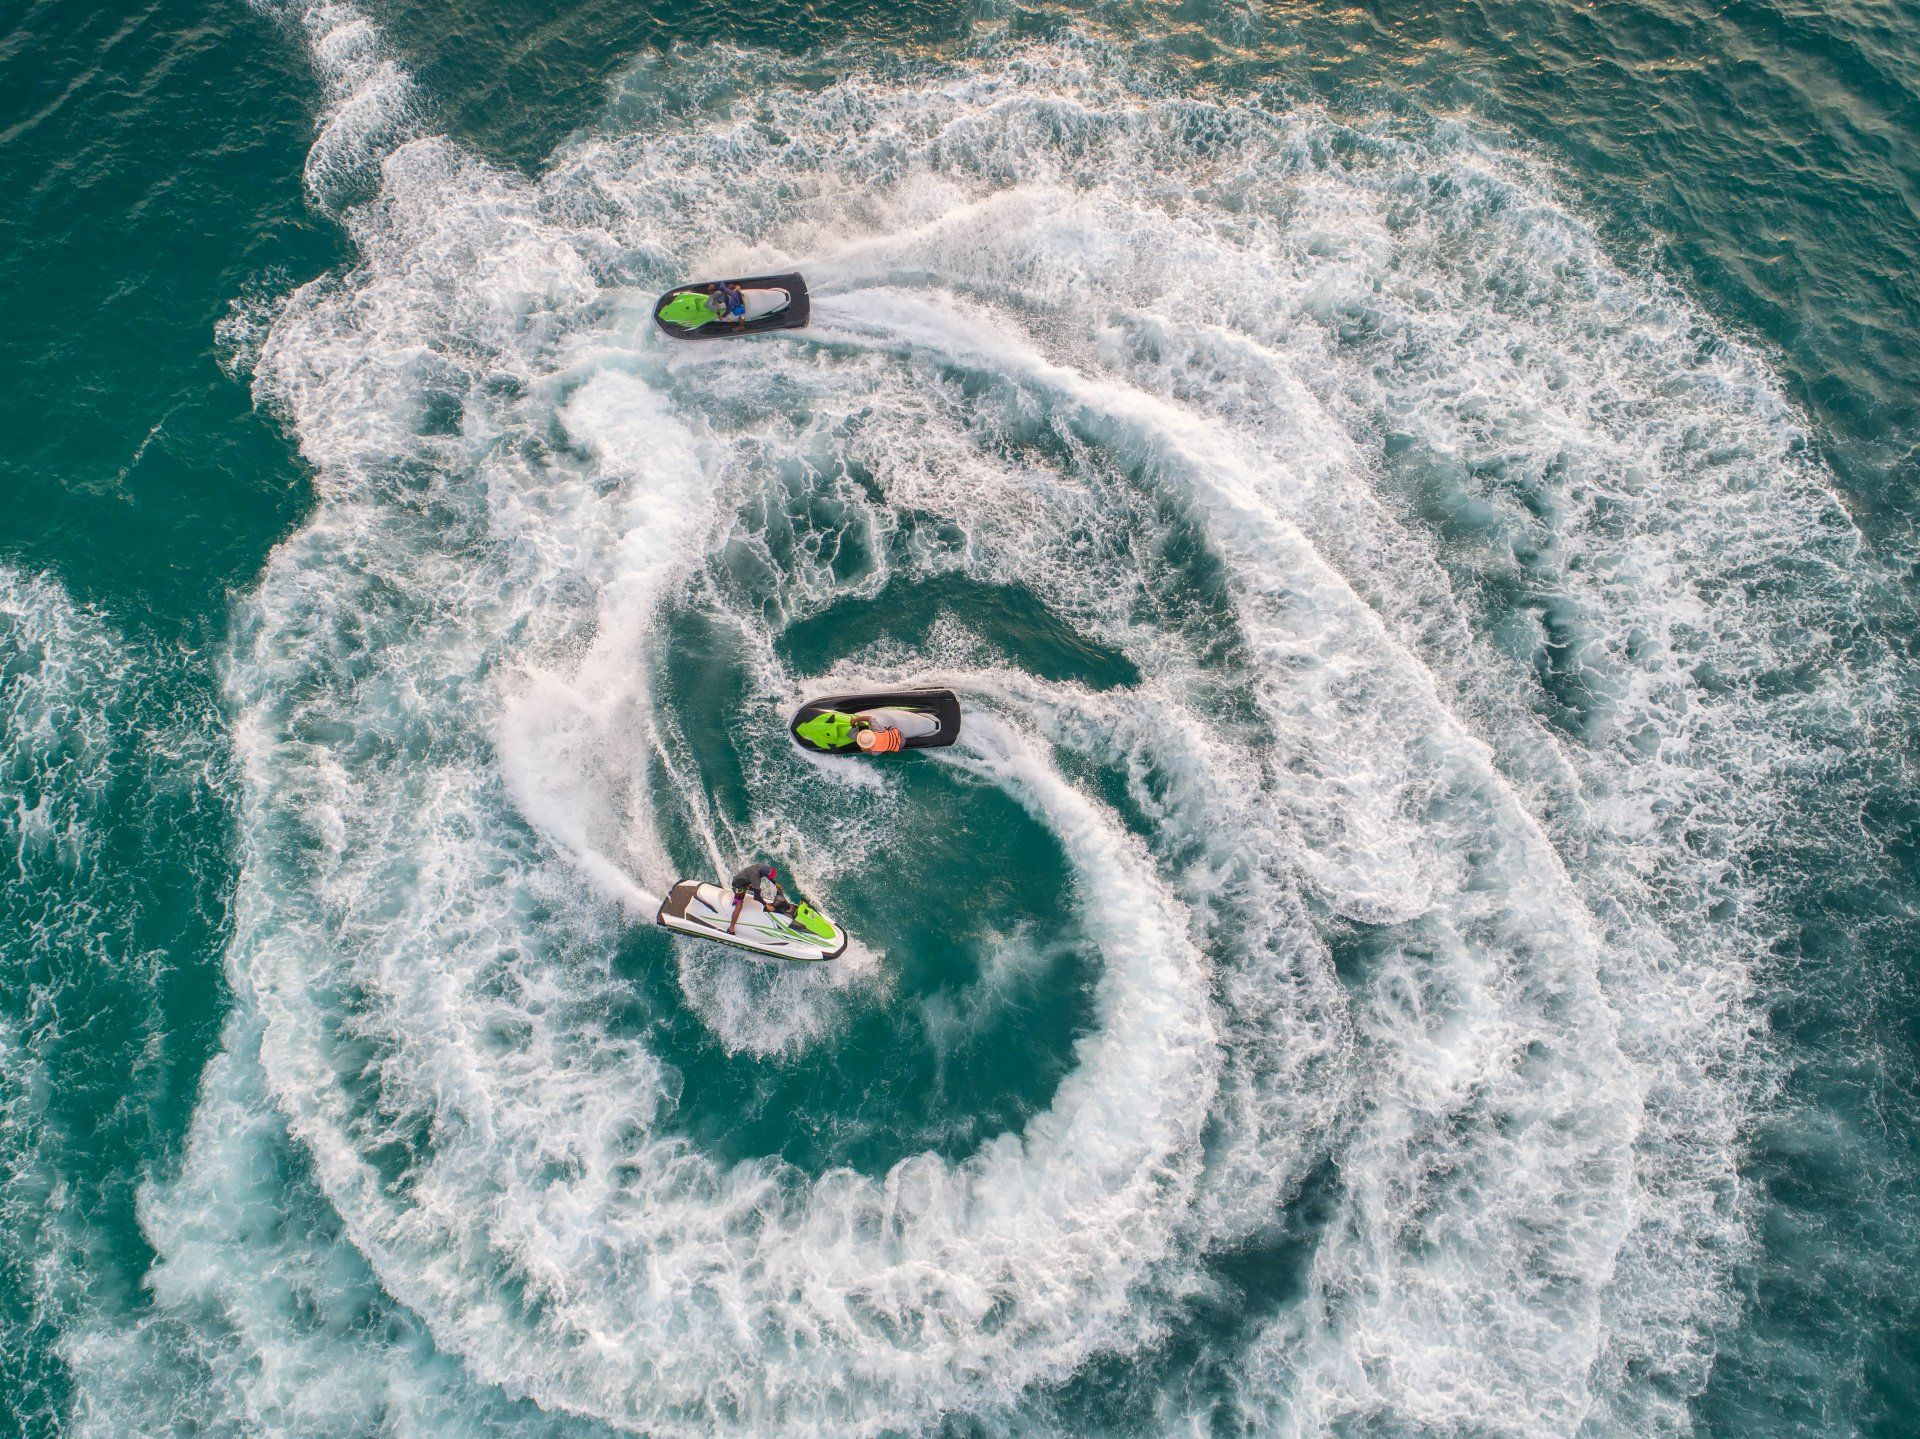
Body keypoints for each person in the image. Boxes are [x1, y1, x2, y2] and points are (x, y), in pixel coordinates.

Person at [728, 860, 789, 934]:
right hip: (738, 885)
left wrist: (775, 883)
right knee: (739, 906)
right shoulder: (755, 878)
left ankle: (741, 895)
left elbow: (767, 875)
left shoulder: (763, 867)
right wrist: (766, 904)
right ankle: (731, 929)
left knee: (758, 890)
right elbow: (756, 897)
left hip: (745, 880)